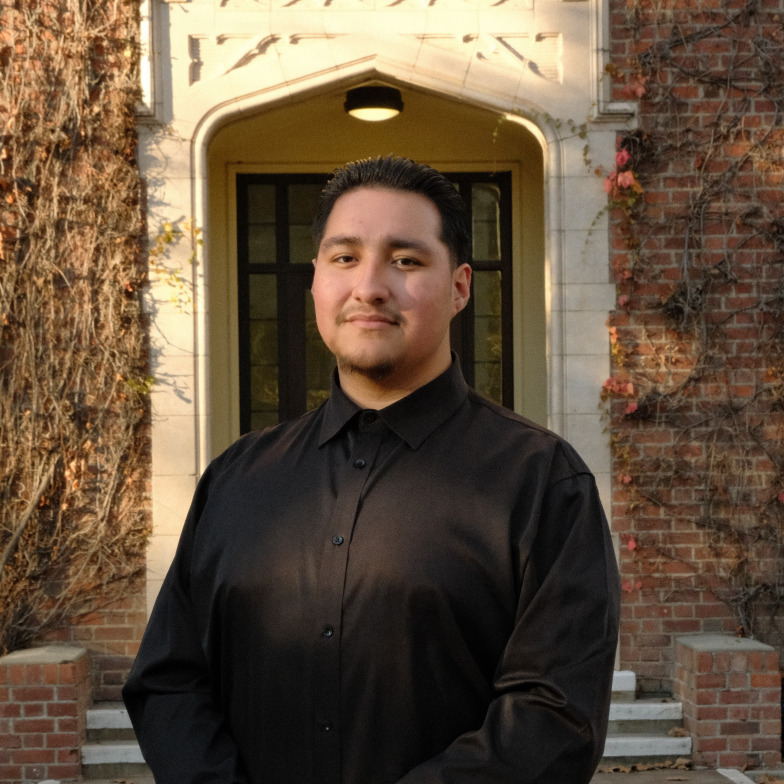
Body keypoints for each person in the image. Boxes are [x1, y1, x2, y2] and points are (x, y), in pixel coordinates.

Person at [123, 155, 620, 784]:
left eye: (405, 260)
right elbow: (169, 682)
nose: (370, 286)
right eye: (345, 257)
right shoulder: (236, 479)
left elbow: (555, 716)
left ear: (460, 287)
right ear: (315, 281)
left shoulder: (542, 482)